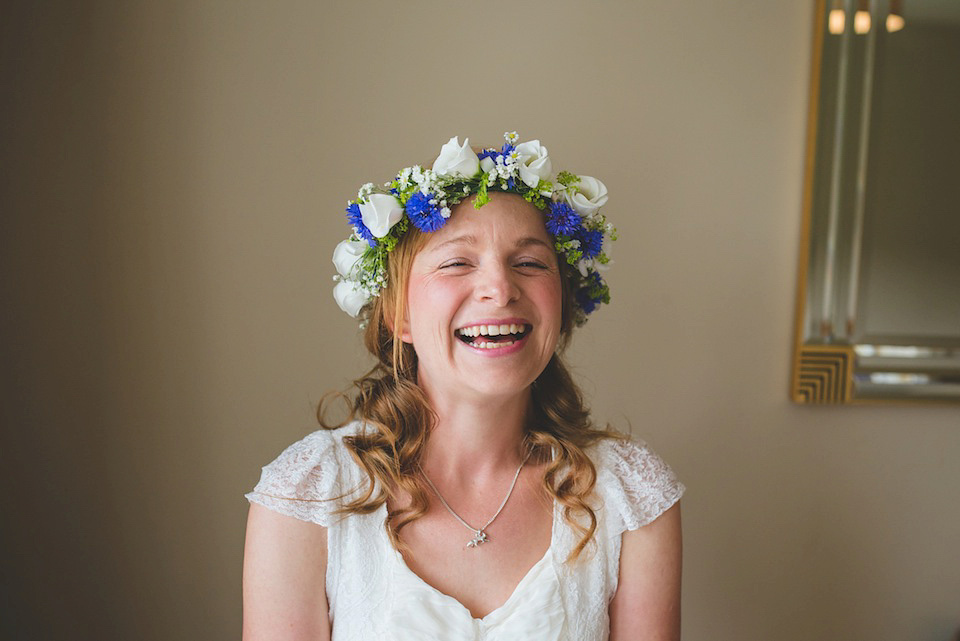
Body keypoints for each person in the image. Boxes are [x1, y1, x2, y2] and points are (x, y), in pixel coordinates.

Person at [242, 132, 685, 641]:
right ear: (398, 317)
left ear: (560, 305)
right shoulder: (308, 495)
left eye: (530, 263)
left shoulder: (631, 495)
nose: (500, 288)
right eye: (457, 262)